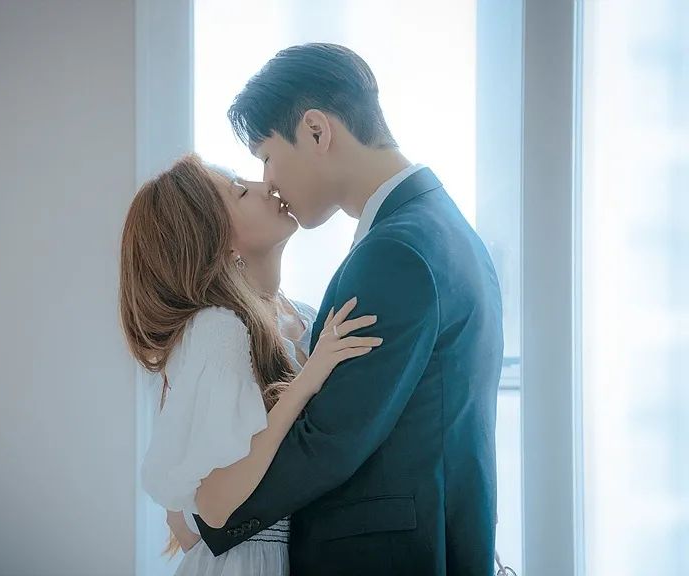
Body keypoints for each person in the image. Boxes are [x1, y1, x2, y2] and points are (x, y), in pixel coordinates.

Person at [192, 43, 505, 576]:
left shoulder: (395, 251)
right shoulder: (443, 228)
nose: (268, 181)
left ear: (316, 131)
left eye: (266, 156)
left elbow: (332, 439)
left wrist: (210, 513)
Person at [119, 154, 382, 575]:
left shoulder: (304, 317)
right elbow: (214, 505)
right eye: (241, 192)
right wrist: (306, 382)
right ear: (219, 242)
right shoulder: (219, 329)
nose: (266, 186)